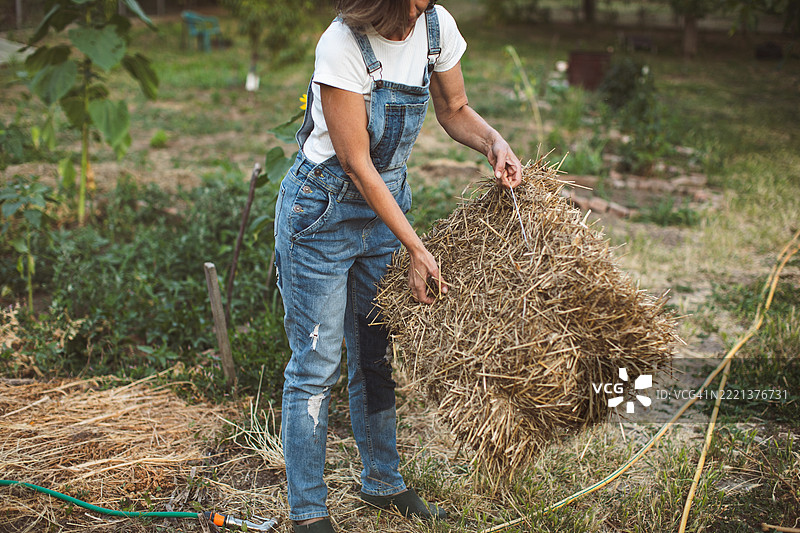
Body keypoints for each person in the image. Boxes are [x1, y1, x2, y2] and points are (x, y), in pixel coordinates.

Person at [273, 1, 521, 531]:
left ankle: (383, 485)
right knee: (315, 366)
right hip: (322, 213)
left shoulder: (436, 26)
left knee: (375, 352)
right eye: (408, 2)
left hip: (384, 207)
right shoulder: (341, 45)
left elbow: (454, 109)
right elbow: (356, 162)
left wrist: (493, 142)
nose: (418, 10)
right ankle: (309, 514)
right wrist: (415, 246)